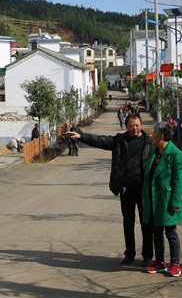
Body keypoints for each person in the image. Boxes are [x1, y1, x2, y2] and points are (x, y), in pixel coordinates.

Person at [66, 114, 154, 267]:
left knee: (146, 223)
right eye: (132, 125)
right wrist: (81, 136)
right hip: (126, 189)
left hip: (144, 190)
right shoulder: (119, 140)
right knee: (128, 223)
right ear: (126, 126)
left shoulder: (149, 142)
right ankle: (130, 254)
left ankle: (147, 256)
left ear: (141, 125)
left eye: (137, 125)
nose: (135, 128)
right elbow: (100, 140)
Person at [142, 121, 182, 277]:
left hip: (166, 200)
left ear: (161, 136)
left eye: (153, 133)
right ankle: (160, 262)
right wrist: (144, 196)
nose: (151, 136)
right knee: (156, 232)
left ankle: (176, 263)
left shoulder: (176, 154)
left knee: (171, 233)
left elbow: (179, 181)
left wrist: (176, 201)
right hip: (153, 198)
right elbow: (147, 177)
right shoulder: (154, 151)